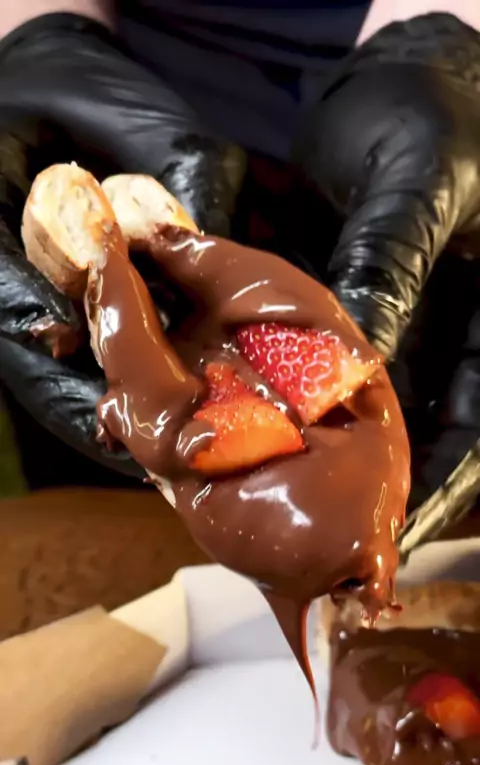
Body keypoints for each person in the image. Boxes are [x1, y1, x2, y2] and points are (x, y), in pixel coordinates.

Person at [0, 0, 480, 507]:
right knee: (111, 506)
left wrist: (453, 52)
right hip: (119, 125)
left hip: (437, 164)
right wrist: (29, 37)